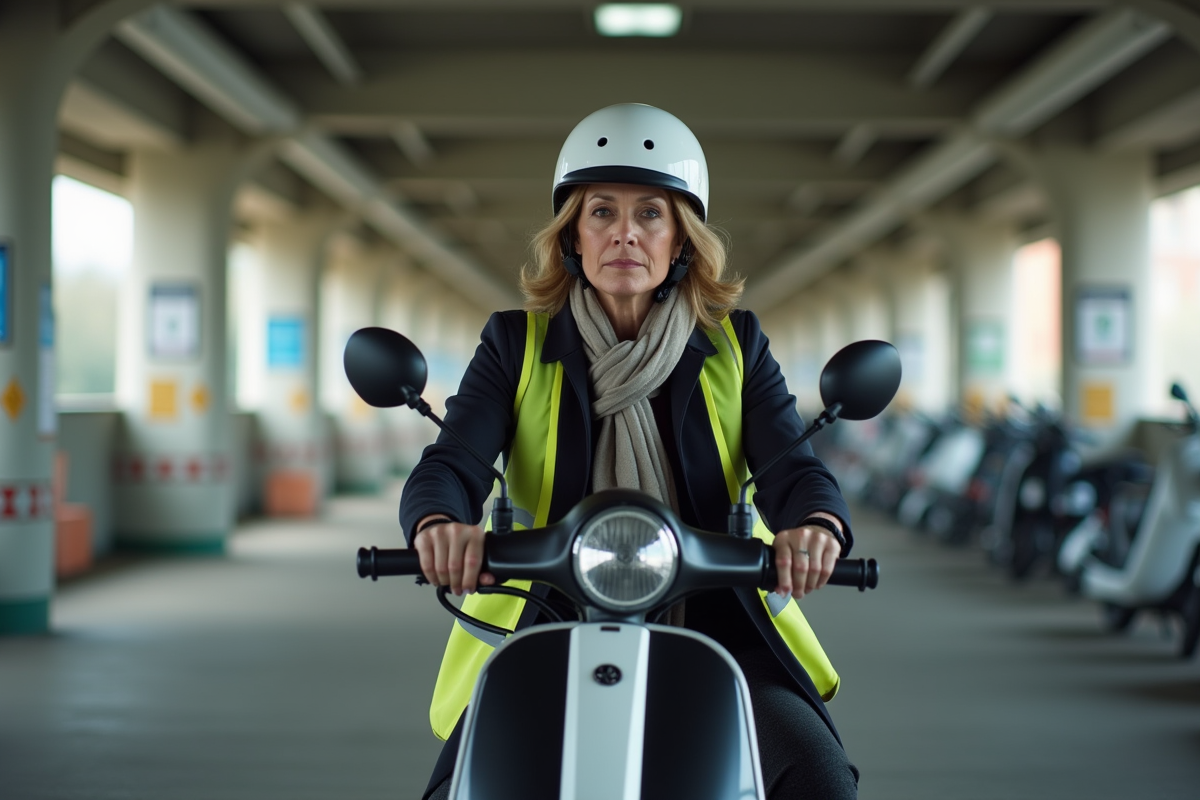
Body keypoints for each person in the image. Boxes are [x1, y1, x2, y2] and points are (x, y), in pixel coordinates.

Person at [399, 103, 860, 800]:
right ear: (571, 237)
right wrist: (439, 524)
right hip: (543, 619)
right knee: (460, 790)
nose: (625, 234)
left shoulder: (737, 345)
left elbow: (792, 466)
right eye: (601, 212)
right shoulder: (513, 344)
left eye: (650, 213)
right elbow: (452, 463)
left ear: (681, 239)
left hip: (720, 625)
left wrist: (815, 528)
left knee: (820, 783)